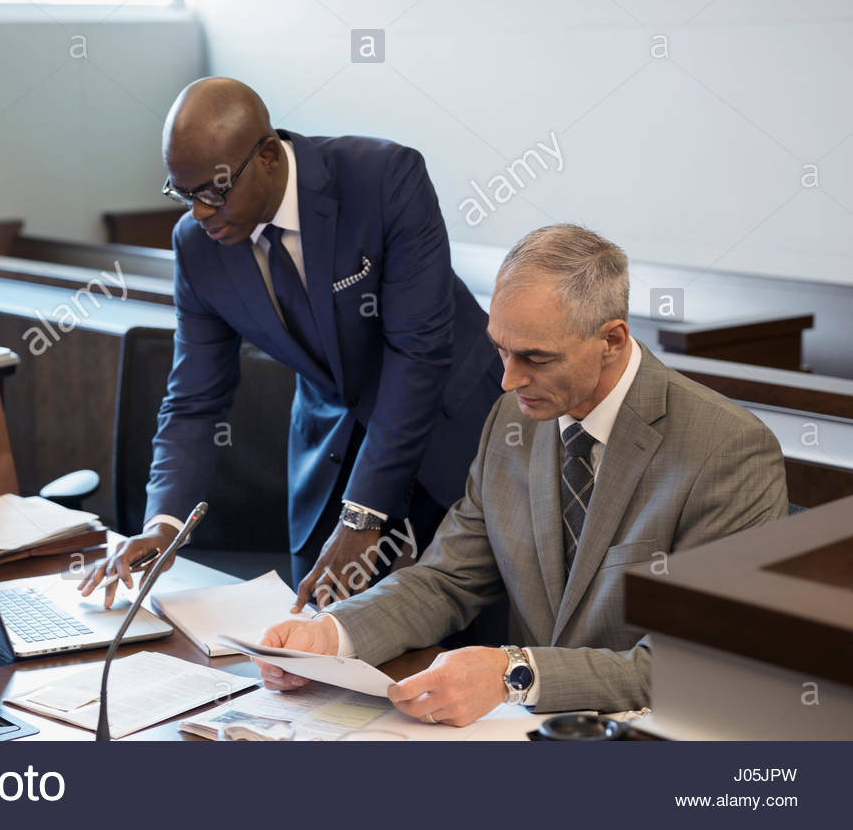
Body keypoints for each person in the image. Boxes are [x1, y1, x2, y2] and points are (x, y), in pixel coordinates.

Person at [255, 224, 788, 720]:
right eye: (500, 350)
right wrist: (331, 634)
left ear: (612, 341)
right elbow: (447, 579)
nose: (508, 380)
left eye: (534, 357)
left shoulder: (728, 450)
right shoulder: (513, 420)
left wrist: (515, 674)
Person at [78, 77, 502, 609]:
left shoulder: (384, 179)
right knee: (315, 652)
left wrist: (363, 514)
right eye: (183, 194)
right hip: (331, 452)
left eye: (213, 190)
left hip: (454, 436)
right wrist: (164, 526)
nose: (200, 213)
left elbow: (419, 352)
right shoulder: (198, 248)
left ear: (271, 158)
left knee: (469, 636)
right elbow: (194, 399)